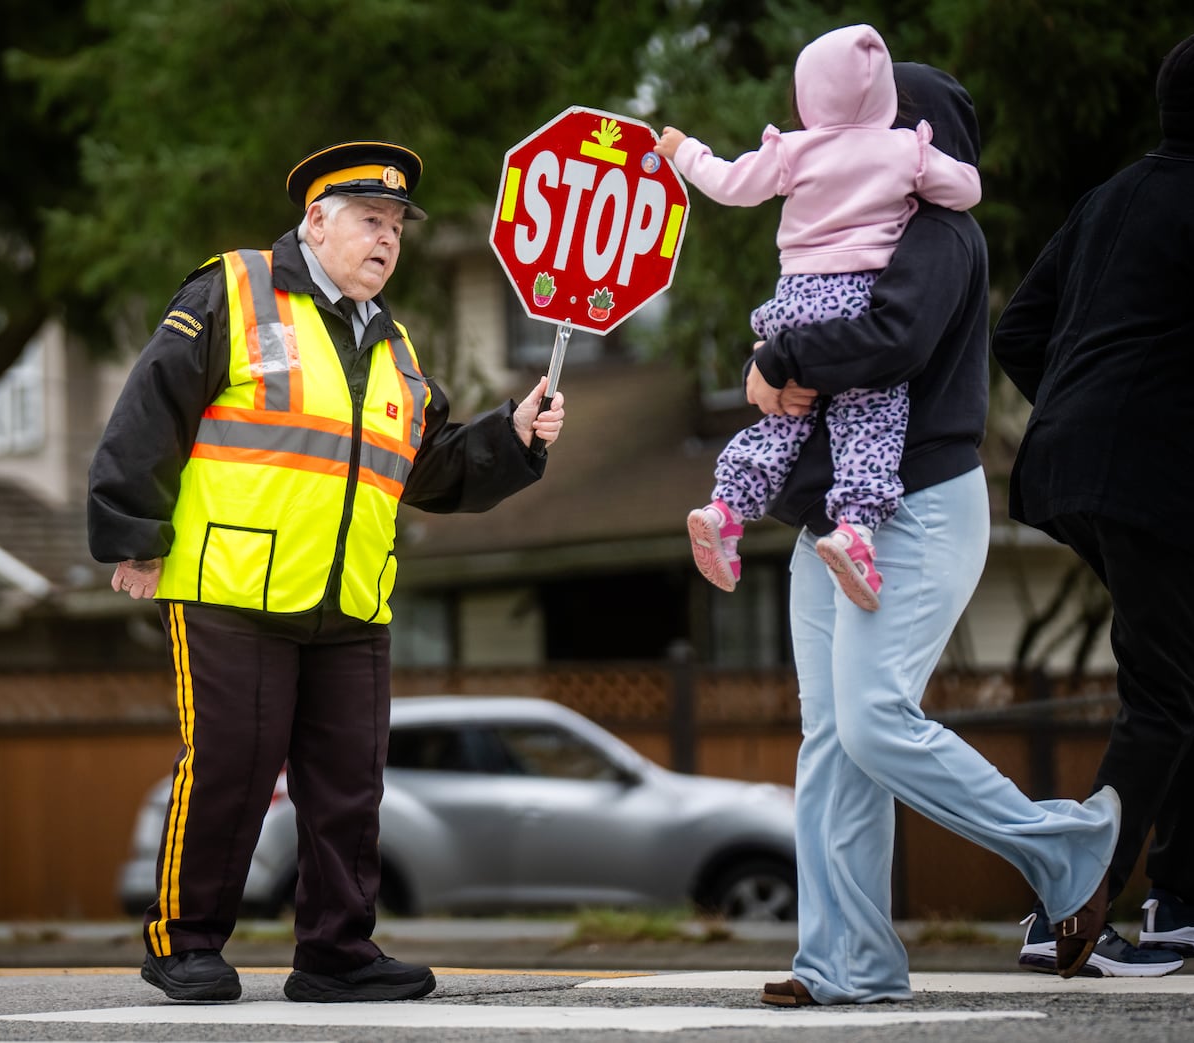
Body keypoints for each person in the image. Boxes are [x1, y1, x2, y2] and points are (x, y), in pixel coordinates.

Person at [87, 140, 566, 1004]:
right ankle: (185, 943)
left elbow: (427, 469)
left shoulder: (394, 345)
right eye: (369, 220)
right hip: (233, 586)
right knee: (231, 768)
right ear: (316, 220)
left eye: (397, 227)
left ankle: (337, 953)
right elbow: (150, 404)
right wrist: (135, 532)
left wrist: (514, 435)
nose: (387, 239)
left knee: (350, 785)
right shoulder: (232, 290)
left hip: (350, 599)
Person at [744, 62, 1120, 1006]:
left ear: (913, 136)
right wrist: (768, 361)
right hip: (828, 522)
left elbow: (891, 339)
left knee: (873, 718)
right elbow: (816, 329)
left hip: (916, 511)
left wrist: (776, 356)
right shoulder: (850, 226)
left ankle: (1067, 846)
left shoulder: (940, 232)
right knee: (831, 740)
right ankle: (848, 963)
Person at [991, 32, 1194, 978]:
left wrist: (1080, 408)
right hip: (1149, 475)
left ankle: (1182, 903)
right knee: (1163, 694)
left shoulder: (1110, 195)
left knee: (1182, 678)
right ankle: (1064, 911)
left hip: (1074, 462)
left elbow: (1021, 329)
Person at [654, 24, 980, 610]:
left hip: (794, 298)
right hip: (856, 296)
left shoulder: (791, 148)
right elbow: (965, 189)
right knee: (871, 415)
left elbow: (730, 184)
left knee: (784, 418)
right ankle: (856, 527)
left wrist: (685, 153)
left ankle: (726, 508)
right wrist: (926, 159)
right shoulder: (905, 153)